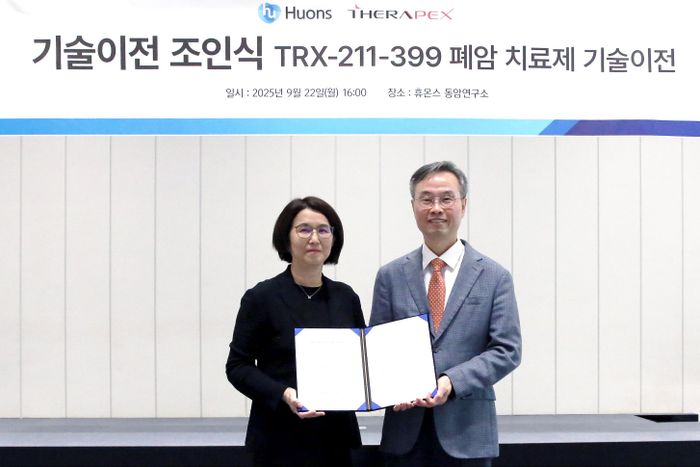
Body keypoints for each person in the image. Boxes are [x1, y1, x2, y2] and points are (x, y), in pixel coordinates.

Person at [370, 161, 522, 467]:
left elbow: (507, 350)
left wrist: (452, 381)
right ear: (413, 206)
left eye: (446, 198)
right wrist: (392, 387)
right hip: (405, 431)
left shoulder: (495, 277)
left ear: (463, 205)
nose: (436, 208)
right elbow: (378, 348)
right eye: (426, 199)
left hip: (469, 432)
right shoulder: (390, 276)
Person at [226, 196, 365, 467]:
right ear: (286, 238)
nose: (314, 238)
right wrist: (283, 393)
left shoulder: (346, 297)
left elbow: (361, 361)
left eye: (323, 230)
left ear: (334, 238)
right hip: (278, 437)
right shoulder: (261, 297)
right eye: (304, 229)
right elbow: (237, 366)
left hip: (337, 438)